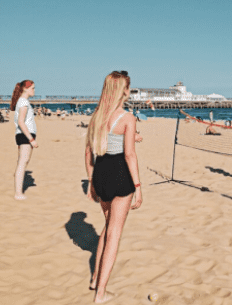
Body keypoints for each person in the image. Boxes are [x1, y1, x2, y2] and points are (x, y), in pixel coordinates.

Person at [85, 71, 142, 303]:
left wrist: (91, 181)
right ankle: (100, 293)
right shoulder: (127, 118)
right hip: (119, 174)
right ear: (124, 91)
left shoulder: (96, 116)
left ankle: (94, 278)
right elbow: (129, 155)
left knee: (108, 226)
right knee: (114, 235)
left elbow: (88, 154)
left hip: (100, 172)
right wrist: (138, 186)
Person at [11, 80, 38, 200]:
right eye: (32, 88)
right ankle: (18, 193)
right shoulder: (23, 101)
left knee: (23, 162)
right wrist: (31, 139)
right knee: (22, 162)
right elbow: (21, 122)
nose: (34, 90)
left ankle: (18, 191)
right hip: (25, 135)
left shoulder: (23, 101)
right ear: (26, 89)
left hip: (23, 135)